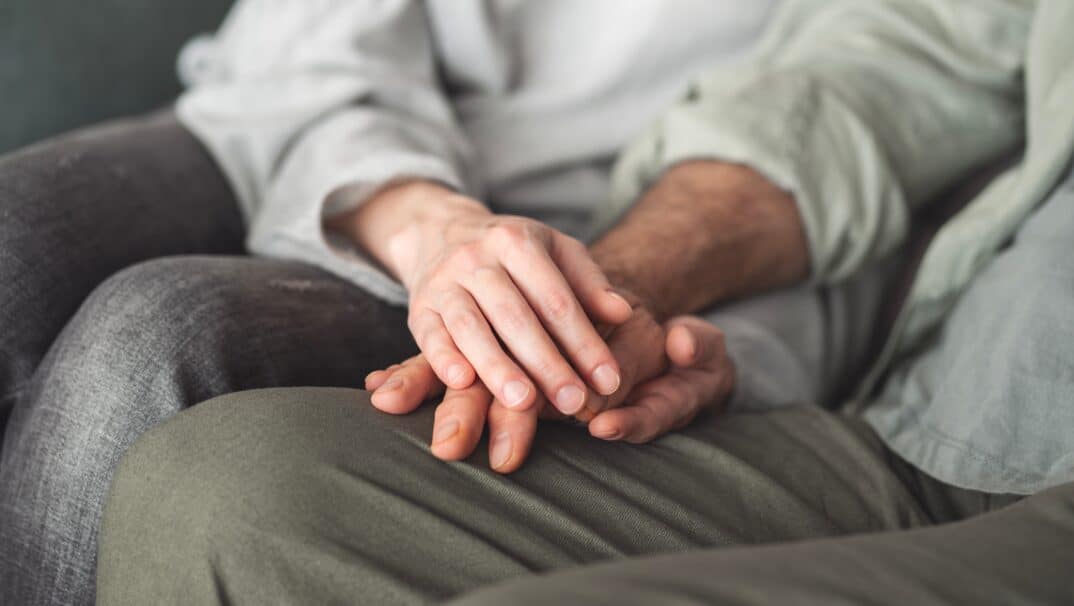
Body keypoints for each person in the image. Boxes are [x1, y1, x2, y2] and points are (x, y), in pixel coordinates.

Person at [95, 0, 1074, 604]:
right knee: (213, 482)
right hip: (955, 410)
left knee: (164, 330)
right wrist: (610, 295)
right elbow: (885, 76)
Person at [0, 2, 799, 605]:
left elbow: (845, 151)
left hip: (593, 233)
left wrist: (720, 343)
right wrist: (426, 221)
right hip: (307, 107)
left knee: (154, 331)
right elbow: (306, 42)